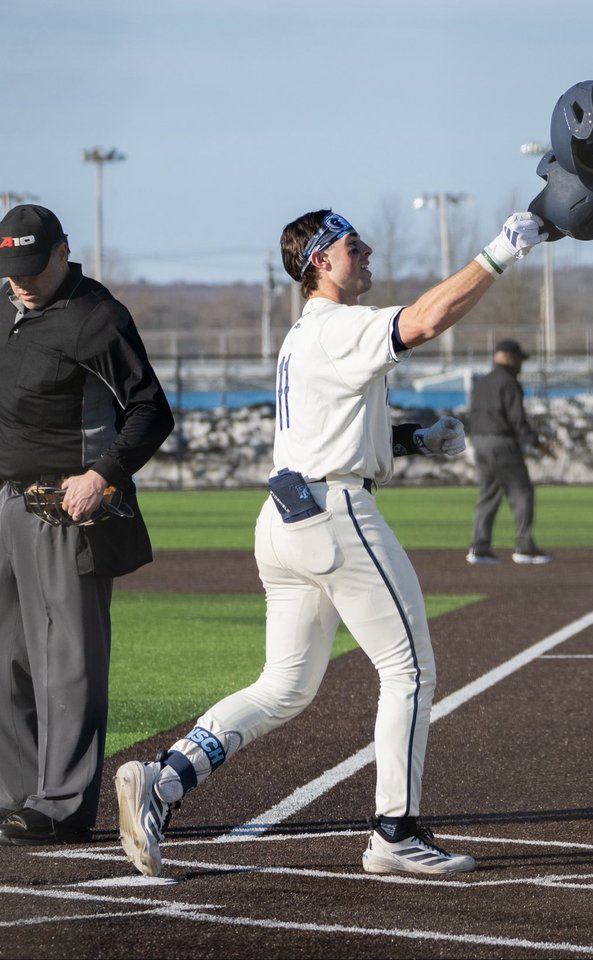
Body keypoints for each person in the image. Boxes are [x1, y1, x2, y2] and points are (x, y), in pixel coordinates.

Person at [115, 207, 545, 878]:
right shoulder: (339, 324)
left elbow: (328, 424)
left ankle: (165, 780)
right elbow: (428, 320)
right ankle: (394, 832)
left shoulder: (306, 334)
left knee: (284, 685)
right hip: (335, 514)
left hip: (286, 517)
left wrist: (409, 440)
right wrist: (497, 253)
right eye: (351, 245)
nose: (366, 249)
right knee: (410, 671)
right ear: (319, 260)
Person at [0, 204, 174, 845]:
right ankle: (16, 795)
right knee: (4, 658)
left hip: (66, 506)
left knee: (66, 659)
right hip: (4, 501)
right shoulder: (3, 306)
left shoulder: (97, 316)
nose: (18, 280)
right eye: (8, 266)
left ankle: (65, 804)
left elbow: (152, 411)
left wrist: (102, 474)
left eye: (29, 265)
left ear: (62, 252)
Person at [466, 338, 552, 565]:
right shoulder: (509, 382)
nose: (520, 365)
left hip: (480, 441)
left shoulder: (480, 382)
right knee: (521, 492)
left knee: (489, 493)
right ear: (509, 357)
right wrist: (537, 443)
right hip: (502, 442)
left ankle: (479, 547)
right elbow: (517, 419)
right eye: (519, 359)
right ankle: (524, 547)